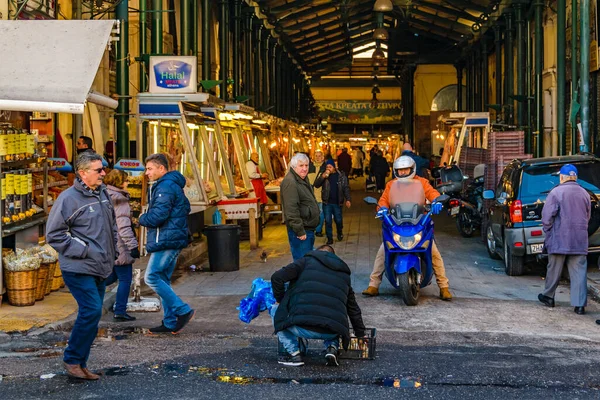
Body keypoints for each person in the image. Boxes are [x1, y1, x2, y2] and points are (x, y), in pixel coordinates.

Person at [46, 152, 117, 380]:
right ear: (83, 173)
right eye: (99, 170)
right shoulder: (67, 199)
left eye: (103, 169)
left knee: (93, 315)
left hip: (101, 265)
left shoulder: (103, 194)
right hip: (78, 267)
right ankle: (72, 359)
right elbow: (54, 235)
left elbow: (111, 226)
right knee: (91, 311)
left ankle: (80, 363)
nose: (104, 173)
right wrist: (85, 250)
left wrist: (116, 251)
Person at [362, 155, 453, 301]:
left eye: (406, 170)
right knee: (383, 251)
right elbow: (384, 200)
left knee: (433, 252)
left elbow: (432, 193)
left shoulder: (422, 182)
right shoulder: (391, 184)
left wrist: (436, 202)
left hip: (419, 222)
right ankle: (374, 285)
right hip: (397, 222)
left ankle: (444, 287)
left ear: (412, 169)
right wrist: (382, 209)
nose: (403, 173)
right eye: (400, 170)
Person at [271, 245, 366, 367]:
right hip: (331, 331)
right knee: (333, 315)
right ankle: (332, 348)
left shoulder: (305, 262)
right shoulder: (344, 275)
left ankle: (294, 354)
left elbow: (276, 277)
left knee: (275, 309)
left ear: (316, 253)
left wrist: (281, 301)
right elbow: (353, 308)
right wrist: (360, 333)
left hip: (302, 327)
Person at [139, 153, 195, 334]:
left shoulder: (165, 187)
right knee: (163, 279)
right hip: (171, 237)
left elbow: (158, 216)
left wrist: (141, 218)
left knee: (152, 277)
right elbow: (185, 207)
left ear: (161, 169)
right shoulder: (169, 185)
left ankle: (183, 310)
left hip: (166, 239)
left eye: (149, 169)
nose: (146, 172)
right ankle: (170, 322)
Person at [538, 164, 591, 315]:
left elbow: (547, 216)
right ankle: (579, 305)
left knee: (554, 268)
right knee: (579, 271)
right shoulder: (584, 193)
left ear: (562, 177)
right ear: (575, 177)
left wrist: (548, 230)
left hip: (559, 237)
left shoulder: (556, 192)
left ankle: (548, 297)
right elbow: (587, 216)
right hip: (579, 238)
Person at [104, 169, 140, 322]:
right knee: (125, 279)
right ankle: (120, 311)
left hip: (107, 243)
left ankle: (91, 294)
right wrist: (133, 246)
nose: (127, 183)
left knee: (110, 276)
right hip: (120, 245)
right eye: (126, 180)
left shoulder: (104, 195)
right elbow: (123, 226)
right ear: (119, 182)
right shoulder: (120, 200)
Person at [281, 153, 320, 261]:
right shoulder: (291, 182)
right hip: (301, 231)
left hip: (307, 228)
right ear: (293, 167)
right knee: (302, 263)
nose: (304, 168)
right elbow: (291, 209)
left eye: (306, 165)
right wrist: (300, 231)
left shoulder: (301, 178)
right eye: (301, 166)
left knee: (306, 262)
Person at [314, 159, 351, 245]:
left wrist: (348, 199)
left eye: (330, 167)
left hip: (338, 203)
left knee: (338, 220)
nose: (328, 169)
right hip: (327, 202)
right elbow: (316, 184)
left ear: (334, 167)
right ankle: (329, 238)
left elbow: (345, 188)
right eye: (327, 167)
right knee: (328, 220)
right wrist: (323, 176)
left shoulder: (341, 176)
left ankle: (339, 232)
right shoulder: (323, 175)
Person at [308, 150, 325, 237]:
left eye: (319, 156)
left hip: (322, 195)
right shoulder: (309, 167)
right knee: (313, 214)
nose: (318, 158)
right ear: (313, 157)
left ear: (323, 157)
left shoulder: (325, 168)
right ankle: (312, 228)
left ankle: (318, 230)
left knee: (321, 213)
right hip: (311, 195)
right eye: (316, 156)